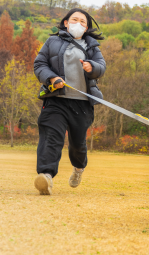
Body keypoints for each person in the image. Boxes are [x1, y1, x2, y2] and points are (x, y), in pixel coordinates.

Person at [33, 8, 106, 195]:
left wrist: (92, 67)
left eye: (83, 22)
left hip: (82, 104)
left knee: (78, 144)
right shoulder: (52, 41)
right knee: (51, 137)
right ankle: (46, 176)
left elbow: (101, 67)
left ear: (87, 27)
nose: (79, 23)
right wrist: (51, 79)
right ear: (66, 22)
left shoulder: (92, 47)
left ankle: (79, 168)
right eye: (75, 19)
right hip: (56, 100)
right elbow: (39, 64)